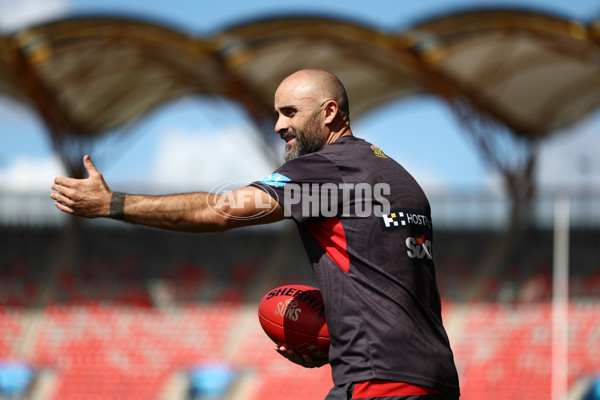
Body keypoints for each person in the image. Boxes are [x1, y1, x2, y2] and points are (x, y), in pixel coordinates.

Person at [51, 69, 460, 400]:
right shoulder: (397, 177)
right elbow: (385, 282)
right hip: (434, 379)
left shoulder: (327, 169)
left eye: (290, 112)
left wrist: (113, 205)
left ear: (330, 112)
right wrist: (338, 343)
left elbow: (223, 211)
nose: (279, 125)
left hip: (378, 385)